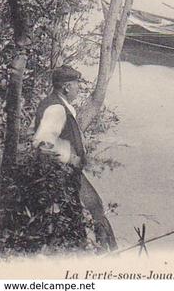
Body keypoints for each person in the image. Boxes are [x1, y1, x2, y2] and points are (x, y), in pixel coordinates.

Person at [32, 66, 117, 251]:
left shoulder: (56, 104)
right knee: (93, 207)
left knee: (91, 207)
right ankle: (107, 253)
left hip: (64, 172)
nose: (79, 88)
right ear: (66, 87)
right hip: (61, 174)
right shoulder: (56, 108)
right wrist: (71, 158)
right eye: (76, 84)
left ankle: (97, 249)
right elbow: (42, 144)